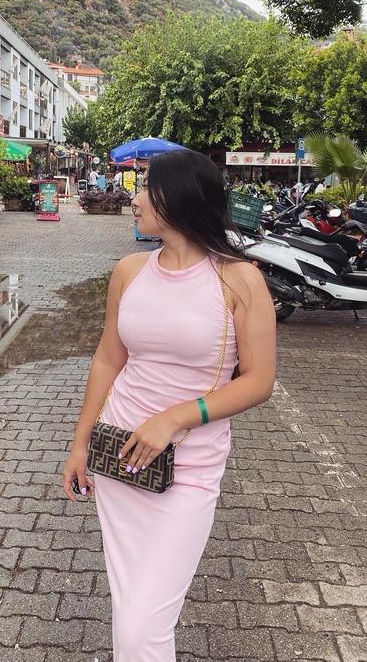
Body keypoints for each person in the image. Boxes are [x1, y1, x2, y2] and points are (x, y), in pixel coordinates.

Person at [63, 150, 276, 661]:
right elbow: (108, 359)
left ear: (177, 198)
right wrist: (79, 444)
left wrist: (178, 416)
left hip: (189, 469)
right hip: (120, 457)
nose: (134, 199)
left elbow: (260, 380)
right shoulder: (129, 271)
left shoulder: (239, 280)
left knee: (142, 624)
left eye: (145, 188)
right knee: (131, 611)